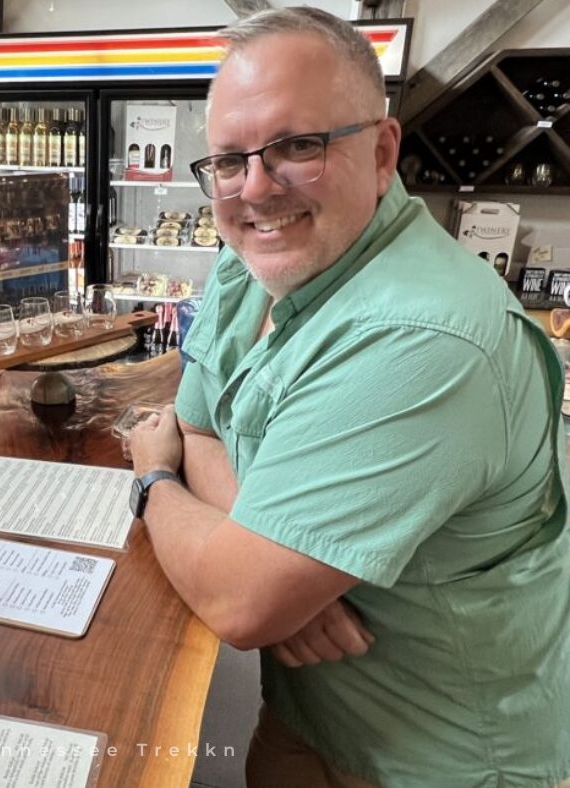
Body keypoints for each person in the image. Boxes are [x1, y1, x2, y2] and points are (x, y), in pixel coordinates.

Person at [128, 7, 570, 787]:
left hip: (440, 756)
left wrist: (152, 480)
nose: (255, 188)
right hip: (311, 713)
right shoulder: (260, 259)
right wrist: (272, 567)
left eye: (298, 146)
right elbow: (200, 427)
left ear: (381, 150)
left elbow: (237, 600)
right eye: (229, 160)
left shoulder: (423, 336)